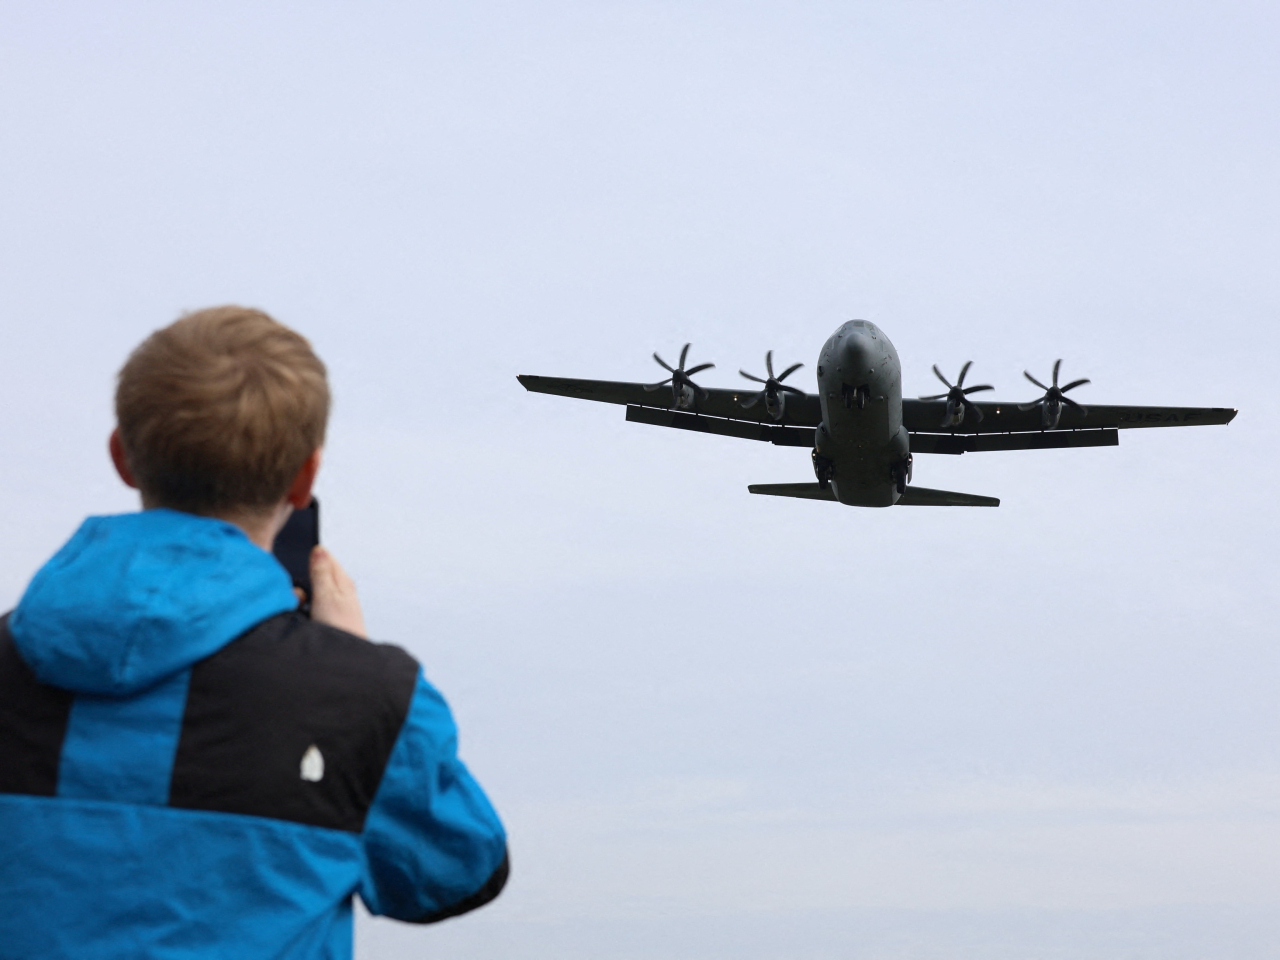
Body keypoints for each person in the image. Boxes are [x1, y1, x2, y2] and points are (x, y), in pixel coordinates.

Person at [0, 306, 508, 959]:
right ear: (306, 478)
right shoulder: (366, 696)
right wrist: (353, 677)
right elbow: (454, 876)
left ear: (122, 456)